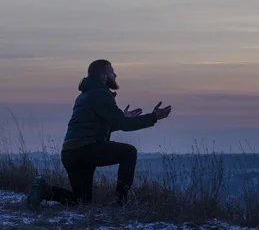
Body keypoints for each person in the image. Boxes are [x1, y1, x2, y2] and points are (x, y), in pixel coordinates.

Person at [26, 59, 172, 208]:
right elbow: (124, 125)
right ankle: (120, 201)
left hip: (70, 152)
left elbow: (96, 125)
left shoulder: (84, 96)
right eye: (111, 71)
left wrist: (121, 118)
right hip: (87, 149)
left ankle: (45, 190)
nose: (115, 74)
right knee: (129, 152)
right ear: (103, 76)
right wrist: (154, 117)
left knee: (81, 201)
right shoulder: (101, 94)